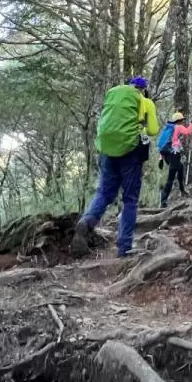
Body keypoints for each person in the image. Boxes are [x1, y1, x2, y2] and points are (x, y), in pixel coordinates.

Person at [71, 76, 158, 257]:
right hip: (130, 152)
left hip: (107, 149)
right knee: (130, 199)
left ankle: (87, 221)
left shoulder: (113, 95)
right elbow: (152, 131)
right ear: (143, 89)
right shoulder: (145, 101)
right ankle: (124, 247)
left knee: (104, 193)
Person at [156, 110, 192, 208]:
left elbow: (163, 144)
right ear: (179, 120)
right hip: (174, 153)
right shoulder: (178, 127)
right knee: (170, 178)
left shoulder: (168, 128)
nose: (182, 122)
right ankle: (163, 200)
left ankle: (182, 190)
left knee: (181, 167)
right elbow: (188, 132)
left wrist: (161, 157)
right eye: (182, 120)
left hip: (167, 154)